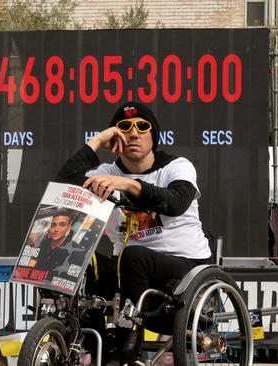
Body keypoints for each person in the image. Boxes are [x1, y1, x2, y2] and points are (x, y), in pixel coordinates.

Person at [56, 101, 211, 362]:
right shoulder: (106, 172)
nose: (133, 132)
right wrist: (97, 141)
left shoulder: (177, 166)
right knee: (83, 259)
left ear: (153, 135)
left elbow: (175, 203)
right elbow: (62, 186)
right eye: (124, 127)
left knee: (133, 255)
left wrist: (127, 184)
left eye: (142, 126)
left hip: (185, 268)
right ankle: (98, 348)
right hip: (129, 274)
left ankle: (129, 350)